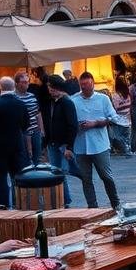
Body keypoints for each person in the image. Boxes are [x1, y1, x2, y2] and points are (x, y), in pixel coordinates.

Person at [70, 72, 123, 211]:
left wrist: (96, 123)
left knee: (106, 176)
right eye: (82, 85)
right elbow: (68, 122)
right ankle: (92, 207)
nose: (84, 88)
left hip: (99, 145)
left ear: (93, 83)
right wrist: (76, 126)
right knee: (86, 179)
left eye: (87, 84)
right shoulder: (73, 100)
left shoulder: (103, 99)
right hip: (80, 145)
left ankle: (115, 203)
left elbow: (112, 118)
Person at [0, 77, 29, 209]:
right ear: (14, 87)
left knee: (1, 177)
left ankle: (3, 204)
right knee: (18, 176)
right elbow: (26, 125)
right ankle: (18, 202)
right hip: (16, 144)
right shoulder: (21, 104)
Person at [45, 77, 80, 207]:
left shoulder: (66, 102)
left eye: (51, 87)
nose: (49, 89)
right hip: (54, 142)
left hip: (62, 143)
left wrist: (69, 146)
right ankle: (65, 200)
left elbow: (72, 125)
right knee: (58, 171)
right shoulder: (54, 102)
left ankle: (65, 200)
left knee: (61, 172)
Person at [13, 71, 45, 165]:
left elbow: (38, 113)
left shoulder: (32, 96)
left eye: (27, 81)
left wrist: (41, 129)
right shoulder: (13, 97)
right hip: (22, 131)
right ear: (17, 83)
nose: (27, 84)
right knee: (24, 156)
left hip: (35, 129)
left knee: (37, 156)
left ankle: (37, 176)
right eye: (23, 82)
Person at [109, 76, 134, 156]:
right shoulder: (128, 94)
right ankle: (128, 150)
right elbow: (129, 105)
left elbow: (116, 108)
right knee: (127, 136)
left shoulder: (115, 95)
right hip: (128, 117)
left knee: (118, 136)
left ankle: (124, 150)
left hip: (119, 118)